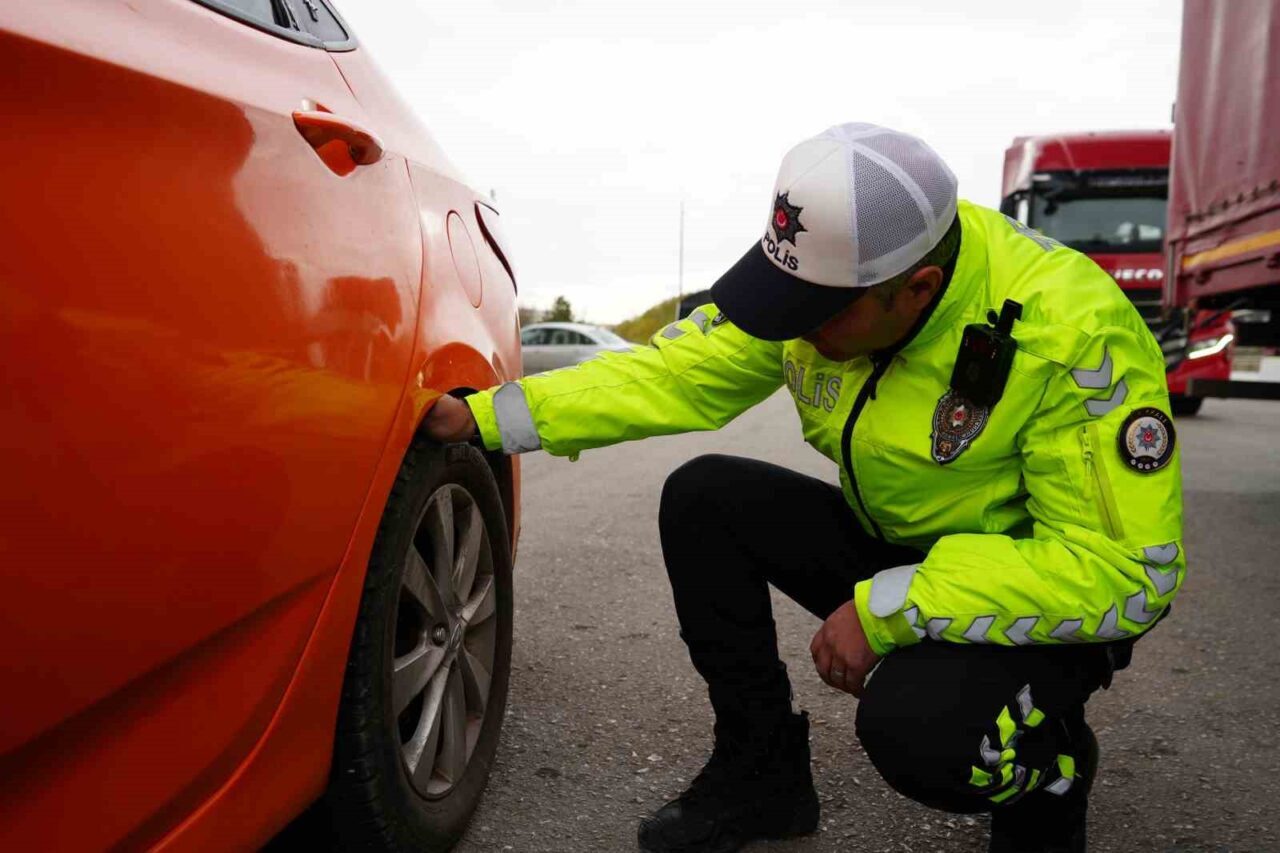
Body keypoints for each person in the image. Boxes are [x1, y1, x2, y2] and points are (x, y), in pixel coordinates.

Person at [424, 123, 1184, 853]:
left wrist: (891, 605)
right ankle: (763, 774)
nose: (792, 330)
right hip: (898, 543)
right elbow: (673, 372)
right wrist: (487, 417)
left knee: (921, 731)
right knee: (704, 497)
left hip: (1034, 589)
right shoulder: (824, 287)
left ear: (916, 288)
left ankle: (1048, 779)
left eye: (814, 314)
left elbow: (1127, 571)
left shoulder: (1074, 334)